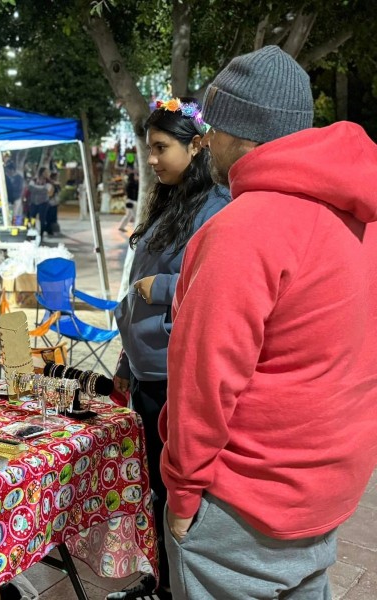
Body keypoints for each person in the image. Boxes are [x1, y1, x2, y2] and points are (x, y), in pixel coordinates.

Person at [160, 46, 377, 599]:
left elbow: (203, 382)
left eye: (211, 126)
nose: (206, 142)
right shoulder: (361, 216)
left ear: (240, 132)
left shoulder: (244, 229)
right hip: (327, 488)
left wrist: (183, 494)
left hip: (246, 498)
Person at [112, 98, 230, 600]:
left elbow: (218, 284)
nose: (153, 159)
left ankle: (179, 588)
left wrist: (161, 290)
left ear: (197, 144)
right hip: (145, 371)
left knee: (179, 495)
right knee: (156, 488)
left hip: (174, 375)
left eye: (162, 148)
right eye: (150, 148)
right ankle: (160, 583)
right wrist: (123, 360)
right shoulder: (172, 199)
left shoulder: (216, 208)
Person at [27, 167, 52, 239]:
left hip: (43, 202)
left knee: (42, 219)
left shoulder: (48, 181)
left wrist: (36, 189)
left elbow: (47, 190)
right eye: (45, 172)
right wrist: (42, 189)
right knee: (32, 218)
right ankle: (31, 234)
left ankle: (41, 235)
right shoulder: (34, 180)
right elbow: (30, 188)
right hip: (34, 202)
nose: (47, 174)